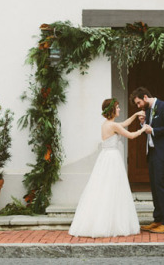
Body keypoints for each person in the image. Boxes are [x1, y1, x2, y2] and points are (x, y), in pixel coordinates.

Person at [68, 98, 148, 238]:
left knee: (103, 188)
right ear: (112, 110)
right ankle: (110, 223)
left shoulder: (107, 124)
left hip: (105, 157)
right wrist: (143, 129)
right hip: (112, 158)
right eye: (117, 107)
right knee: (113, 188)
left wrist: (135, 115)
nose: (119, 109)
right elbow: (130, 135)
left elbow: (124, 123)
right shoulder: (113, 126)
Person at [129, 87, 164, 234]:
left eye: (138, 103)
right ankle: (158, 220)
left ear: (145, 97)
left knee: (160, 185)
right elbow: (149, 130)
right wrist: (143, 123)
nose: (138, 106)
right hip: (152, 152)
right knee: (154, 186)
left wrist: (154, 131)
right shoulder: (149, 111)